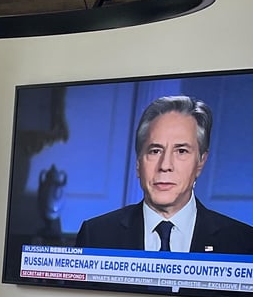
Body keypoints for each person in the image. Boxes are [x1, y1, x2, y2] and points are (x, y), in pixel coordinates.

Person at [75, 94, 253, 254]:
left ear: (201, 162)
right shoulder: (96, 235)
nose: (165, 165)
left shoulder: (242, 242)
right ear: (138, 163)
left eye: (181, 151)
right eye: (155, 151)